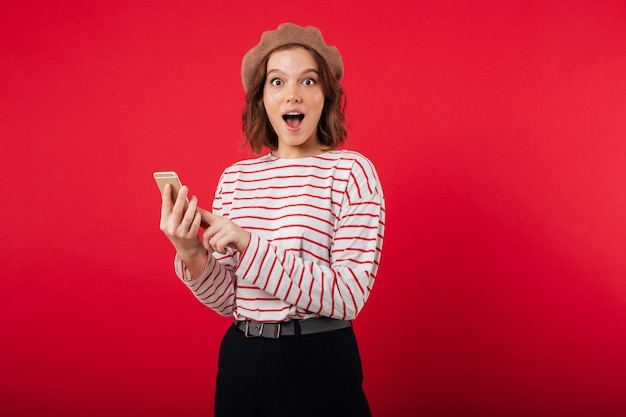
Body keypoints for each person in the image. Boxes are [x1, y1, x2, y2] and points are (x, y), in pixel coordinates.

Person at [159, 22, 385, 417]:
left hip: (318, 362)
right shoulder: (236, 178)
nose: (292, 94)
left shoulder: (352, 172)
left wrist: (248, 244)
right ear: (262, 98)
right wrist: (192, 252)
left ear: (326, 96)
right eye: (277, 82)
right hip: (242, 361)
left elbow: (347, 297)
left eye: (308, 81)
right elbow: (233, 300)